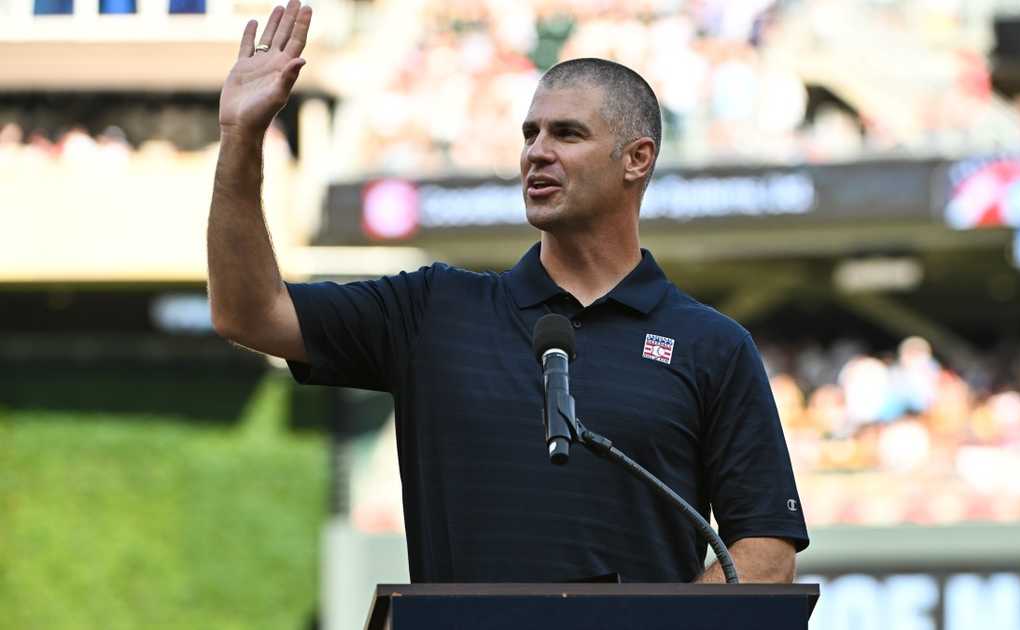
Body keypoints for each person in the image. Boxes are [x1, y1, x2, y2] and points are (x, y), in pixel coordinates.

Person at [208, 0, 808, 583]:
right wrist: (241, 138)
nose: (537, 152)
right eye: (530, 133)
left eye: (567, 134)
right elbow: (250, 313)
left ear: (637, 158)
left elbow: (765, 554)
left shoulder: (714, 346)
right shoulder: (431, 310)